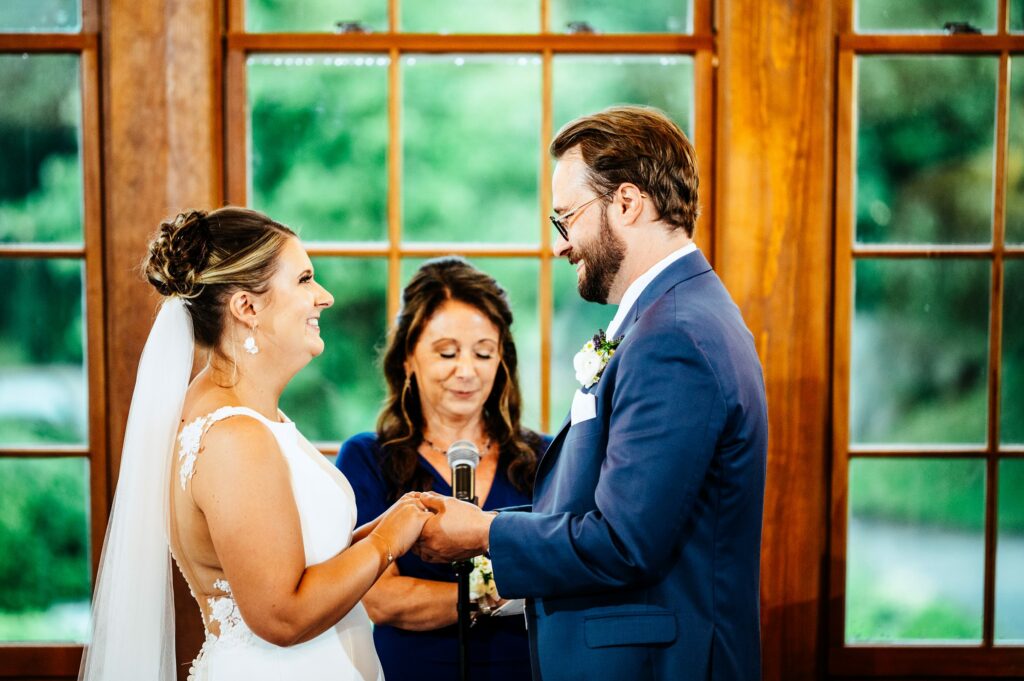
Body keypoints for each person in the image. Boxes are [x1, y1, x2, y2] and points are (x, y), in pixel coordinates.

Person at [413, 106, 769, 681]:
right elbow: (614, 510)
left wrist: (480, 532)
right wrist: (482, 521)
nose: (561, 245)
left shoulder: (673, 334)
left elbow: (624, 541)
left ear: (627, 203)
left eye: (566, 219)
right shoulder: (672, 315)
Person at [79, 207, 433, 681]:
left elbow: (295, 558)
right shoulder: (233, 437)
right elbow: (280, 615)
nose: (323, 297)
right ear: (246, 308)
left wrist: (387, 524)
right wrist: (389, 542)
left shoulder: (252, 416)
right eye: (305, 279)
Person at [336, 256, 548, 681]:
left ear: (502, 361)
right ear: (408, 358)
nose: (466, 371)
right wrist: (503, 594)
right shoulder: (367, 459)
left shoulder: (541, 458)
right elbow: (382, 598)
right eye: (446, 353)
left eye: (484, 353)